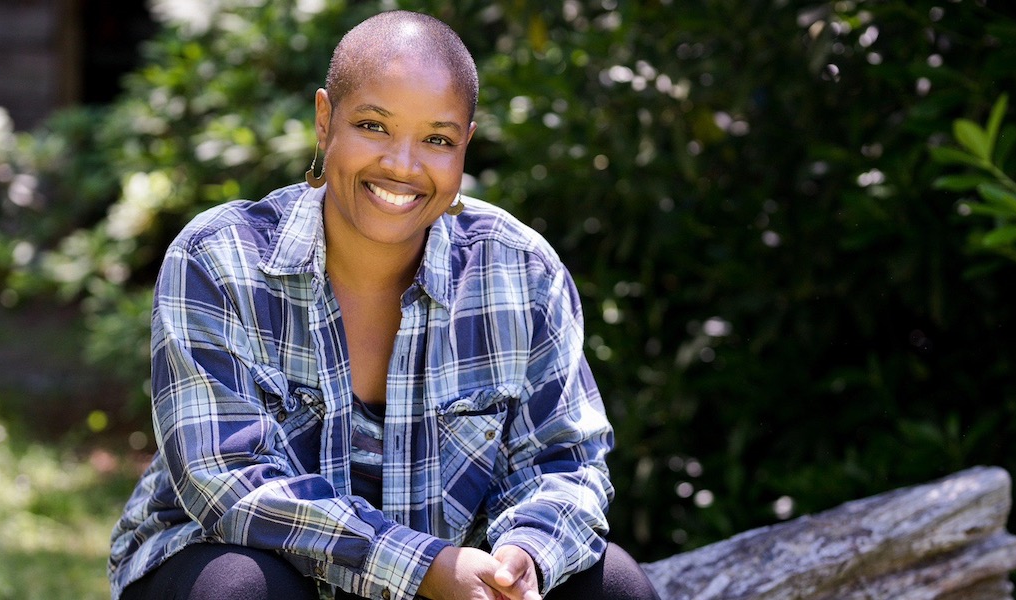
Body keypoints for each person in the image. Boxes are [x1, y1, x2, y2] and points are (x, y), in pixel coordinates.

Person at [108, 9, 661, 600]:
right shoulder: (220, 260)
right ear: (325, 121)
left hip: (449, 583)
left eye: (437, 139)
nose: (402, 164)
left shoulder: (519, 270)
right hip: (240, 567)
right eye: (373, 126)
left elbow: (565, 461)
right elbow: (228, 483)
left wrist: (522, 555)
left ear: (466, 147)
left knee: (615, 584)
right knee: (243, 587)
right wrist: (425, 568)